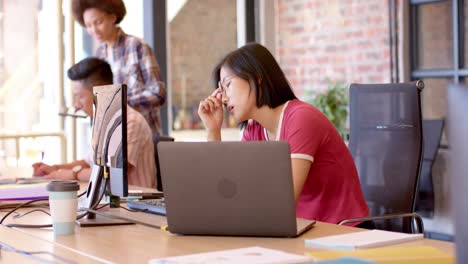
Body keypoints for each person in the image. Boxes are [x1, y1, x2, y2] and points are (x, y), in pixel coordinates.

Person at [198, 43, 369, 225]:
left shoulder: (301, 119)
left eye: (227, 85)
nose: (223, 98)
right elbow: (227, 191)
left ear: (257, 78)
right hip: (302, 231)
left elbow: (281, 204)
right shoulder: (254, 130)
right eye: (221, 90)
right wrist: (213, 130)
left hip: (343, 232)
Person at [32, 58, 156, 189]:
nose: (77, 105)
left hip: (132, 205)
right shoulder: (103, 121)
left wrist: (73, 174)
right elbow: (88, 163)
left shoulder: (130, 121)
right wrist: (53, 169)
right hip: (109, 202)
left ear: (101, 92)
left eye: (80, 96)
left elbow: (113, 174)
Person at [71, 0, 166, 137]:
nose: (94, 30)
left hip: (144, 137)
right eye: (88, 25)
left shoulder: (136, 46)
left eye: (98, 22)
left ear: (113, 16)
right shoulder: (99, 54)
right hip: (115, 140)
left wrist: (116, 103)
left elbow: (158, 94)